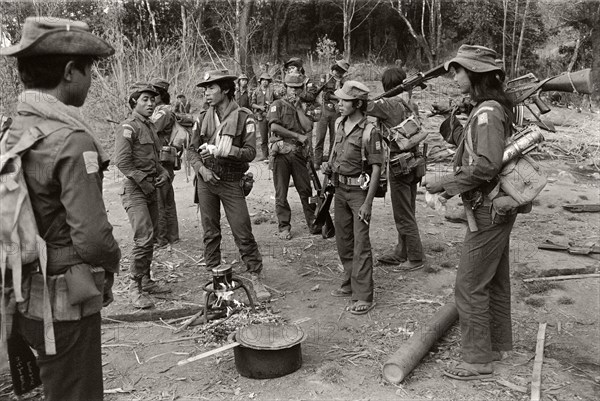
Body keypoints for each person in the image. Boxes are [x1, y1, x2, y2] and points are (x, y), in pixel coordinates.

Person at [0, 16, 121, 400]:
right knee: (76, 391)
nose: (92, 80)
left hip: (21, 290)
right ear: (70, 72)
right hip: (65, 301)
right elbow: (93, 238)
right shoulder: (71, 139)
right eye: (90, 72)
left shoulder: (13, 128)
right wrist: (112, 264)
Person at [423, 44, 516, 380]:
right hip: (492, 206)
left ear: (476, 74)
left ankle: (477, 360)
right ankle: (494, 346)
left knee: (469, 284)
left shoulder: (489, 112)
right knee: (492, 279)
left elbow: (488, 165)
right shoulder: (485, 109)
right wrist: (456, 117)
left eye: (460, 70)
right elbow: (469, 145)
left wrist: (445, 183)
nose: (455, 75)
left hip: (489, 207)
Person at [187, 69, 270, 302]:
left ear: (225, 89)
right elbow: (191, 150)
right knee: (210, 230)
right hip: (206, 180)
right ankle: (215, 275)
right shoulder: (202, 117)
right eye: (205, 89)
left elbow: (252, 152)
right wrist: (202, 170)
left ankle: (255, 274)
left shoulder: (245, 117)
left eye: (211, 88)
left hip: (231, 180)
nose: (206, 93)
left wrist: (228, 150)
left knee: (242, 229)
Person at [322, 81, 383, 315]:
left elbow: (377, 168)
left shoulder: (370, 131)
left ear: (357, 104)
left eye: (344, 101)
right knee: (344, 240)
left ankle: (364, 296)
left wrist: (367, 203)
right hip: (339, 189)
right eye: (338, 100)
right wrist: (329, 167)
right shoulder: (339, 123)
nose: (339, 105)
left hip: (359, 193)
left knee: (361, 244)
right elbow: (335, 150)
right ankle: (349, 282)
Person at [115, 82, 171, 309]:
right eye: (144, 100)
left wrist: (164, 173)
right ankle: (134, 287)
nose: (150, 103)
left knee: (153, 234)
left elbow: (155, 160)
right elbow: (122, 162)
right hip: (135, 191)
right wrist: (143, 181)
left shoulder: (149, 127)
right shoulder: (128, 127)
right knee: (144, 237)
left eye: (152, 99)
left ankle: (146, 280)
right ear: (134, 103)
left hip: (151, 188)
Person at [367, 67, 425, 271]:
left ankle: (415, 257)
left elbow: (365, 106)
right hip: (414, 163)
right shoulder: (411, 104)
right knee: (408, 209)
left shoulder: (388, 104)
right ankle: (402, 250)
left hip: (399, 165)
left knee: (403, 214)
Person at [267, 73, 322, 240]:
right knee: (281, 192)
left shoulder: (305, 107)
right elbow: (275, 127)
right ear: (285, 88)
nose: (295, 91)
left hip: (298, 154)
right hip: (281, 153)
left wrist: (298, 108)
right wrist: (296, 136)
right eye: (292, 88)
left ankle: (313, 222)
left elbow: (307, 128)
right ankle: (284, 226)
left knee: (305, 189)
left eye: (298, 88)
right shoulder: (277, 104)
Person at [150, 78, 180, 250]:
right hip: (164, 158)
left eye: (154, 94)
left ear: (161, 95)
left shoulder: (163, 112)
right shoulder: (160, 111)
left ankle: (161, 238)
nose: (151, 98)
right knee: (167, 198)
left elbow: (152, 130)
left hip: (163, 159)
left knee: (161, 199)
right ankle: (172, 236)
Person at [314, 59, 349, 169]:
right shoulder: (326, 77)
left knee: (335, 138)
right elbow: (325, 95)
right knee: (320, 137)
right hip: (325, 109)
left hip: (337, 111)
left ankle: (331, 160)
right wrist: (338, 96)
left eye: (342, 72)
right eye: (339, 71)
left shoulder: (344, 82)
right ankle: (317, 161)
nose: (340, 74)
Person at [251, 72, 274, 162]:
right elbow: (252, 104)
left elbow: (277, 101)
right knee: (264, 137)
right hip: (261, 116)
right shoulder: (256, 91)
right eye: (263, 80)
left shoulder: (272, 91)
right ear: (260, 81)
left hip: (271, 116)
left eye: (266, 80)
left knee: (272, 136)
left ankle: (273, 155)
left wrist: (271, 105)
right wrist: (259, 107)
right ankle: (265, 156)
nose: (265, 82)